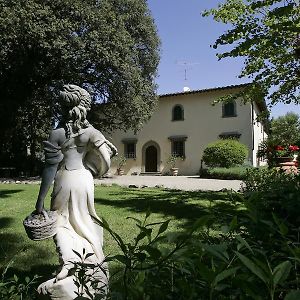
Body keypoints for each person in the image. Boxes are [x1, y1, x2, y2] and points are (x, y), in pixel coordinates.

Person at [35, 84, 117, 298]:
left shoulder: (57, 133)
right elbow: (106, 158)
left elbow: (50, 167)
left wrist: (40, 200)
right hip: (84, 179)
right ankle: (94, 262)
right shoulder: (91, 132)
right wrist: (97, 168)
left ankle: (69, 262)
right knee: (86, 221)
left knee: (61, 222)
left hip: (65, 179)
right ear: (84, 106)